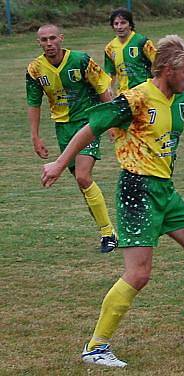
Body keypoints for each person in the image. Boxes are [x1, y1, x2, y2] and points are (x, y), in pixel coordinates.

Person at [41, 35, 184, 368]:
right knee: (139, 274)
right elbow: (91, 127)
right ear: (166, 69)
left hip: (164, 191)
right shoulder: (137, 98)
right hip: (137, 191)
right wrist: (59, 164)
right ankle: (96, 347)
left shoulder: (180, 98)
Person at [26, 24, 117, 253]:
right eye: (44, 40)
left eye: (53, 38)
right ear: (39, 43)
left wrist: (111, 122)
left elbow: (102, 88)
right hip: (63, 129)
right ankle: (106, 231)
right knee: (82, 183)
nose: (49, 44)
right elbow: (34, 103)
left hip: (90, 122)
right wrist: (35, 136)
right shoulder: (35, 70)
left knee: (83, 177)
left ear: (61, 39)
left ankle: (108, 233)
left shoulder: (81, 60)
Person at [104, 8, 156, 95]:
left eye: (123, 23)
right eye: (116, 24)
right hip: (124, 94)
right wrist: (109, 88)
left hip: (145, 92)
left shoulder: (142, 42)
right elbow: (110, 72)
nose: (119, 27)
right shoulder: (110, 48)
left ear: (130, 25)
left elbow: (158, 63)